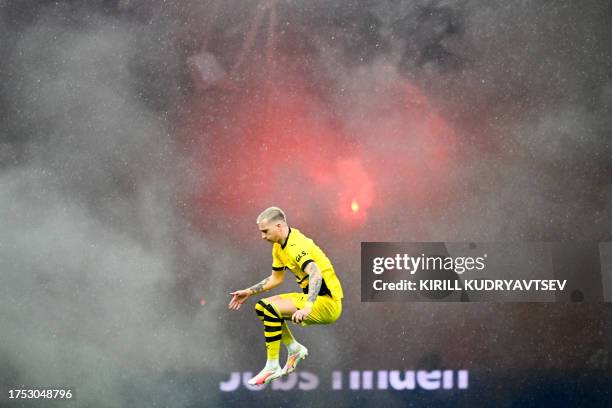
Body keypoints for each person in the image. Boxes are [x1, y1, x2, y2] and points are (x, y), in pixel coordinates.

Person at [228, 207, 344, 386]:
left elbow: (316, 274)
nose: (263, 236)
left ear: (279, 226)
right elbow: (276, 278)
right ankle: (294, 348)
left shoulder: (296, 246)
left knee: (270, 309)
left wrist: (308, 306)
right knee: (261, 307)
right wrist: (249, 291)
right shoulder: (278, 247)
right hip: (313, 298)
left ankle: (272, 365)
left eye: (265, 231)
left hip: (328, 303)